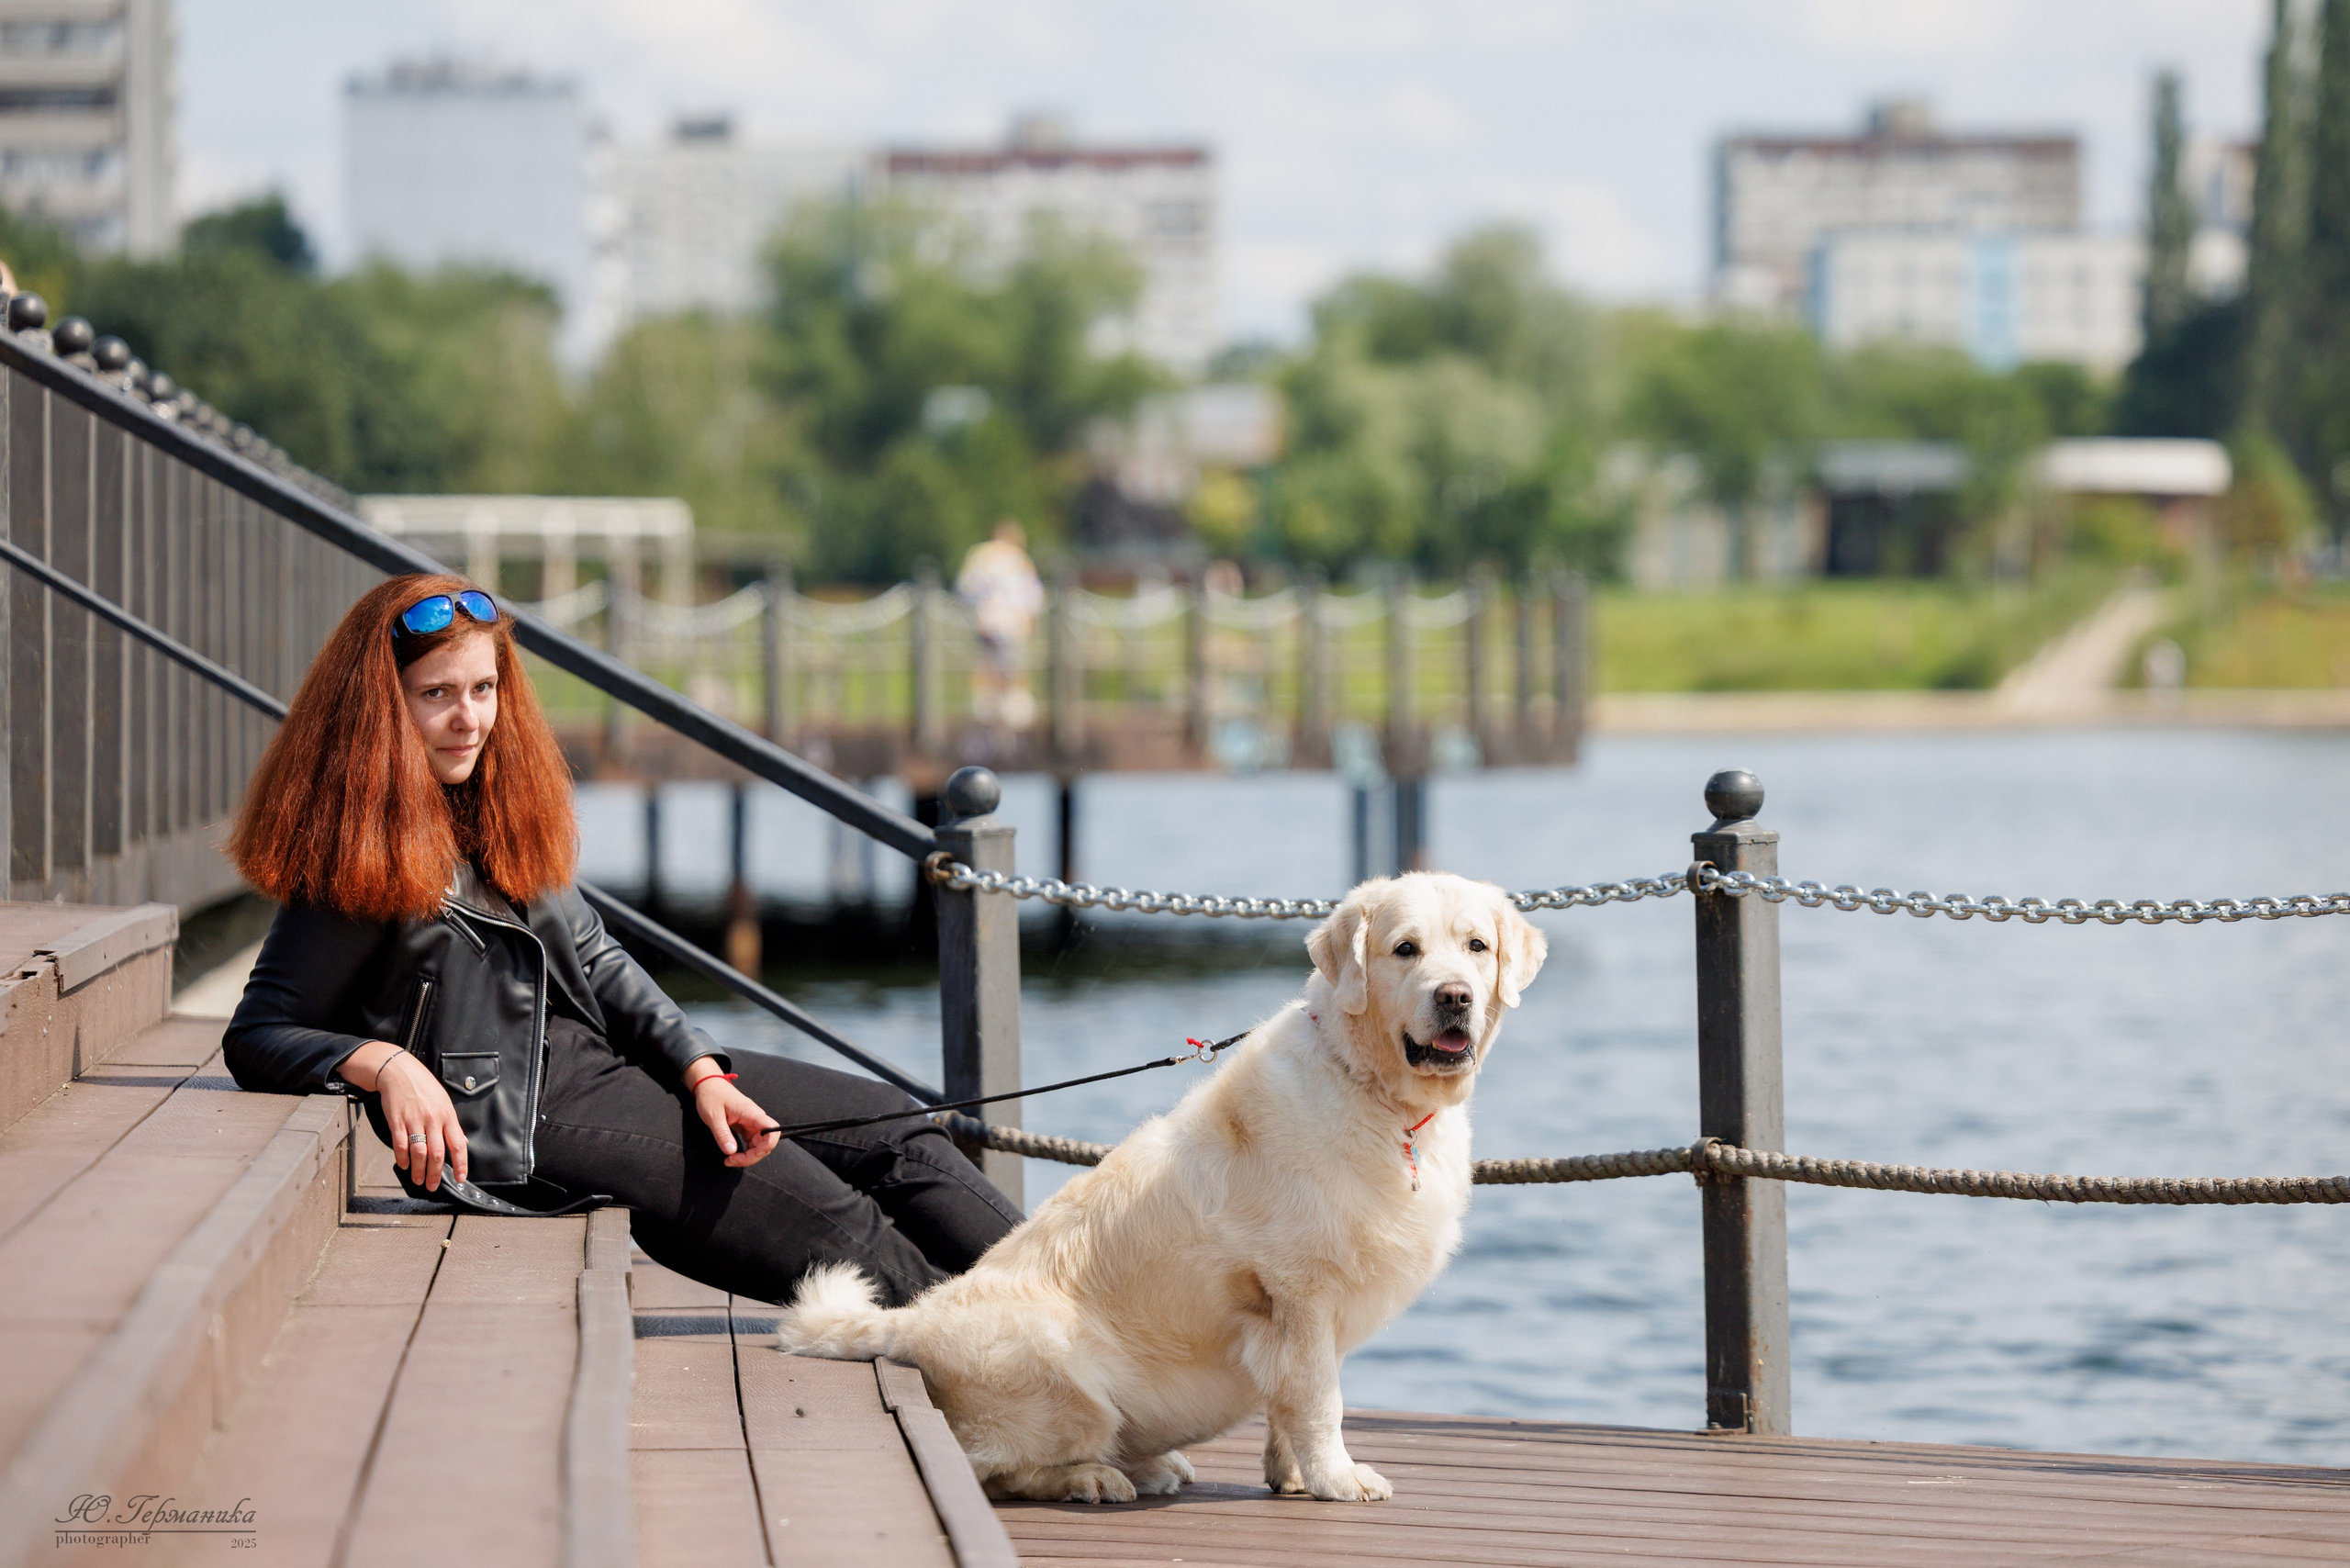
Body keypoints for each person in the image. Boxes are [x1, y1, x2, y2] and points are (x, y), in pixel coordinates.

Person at [221, 573, 1021, 1306]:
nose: (469, 719)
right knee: (843, 1227)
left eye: (484, 688)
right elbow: (258, 1035)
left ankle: (1083, 1315)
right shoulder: (350, 858)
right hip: (520, 1117)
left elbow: (599, 958)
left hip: (604, 1064)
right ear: (382, 706)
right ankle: (1015, 1364)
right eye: (436, 694)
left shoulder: (492, 804)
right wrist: (383, 1062)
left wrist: (699, 1068)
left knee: (894, 1127)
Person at [955, 520, 1045, 730]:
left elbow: (965, 589)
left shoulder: (980, 556)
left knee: (990, 665)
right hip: (1009, 623)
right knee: (1009, 667)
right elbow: (1032, 596)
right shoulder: (1018, 560)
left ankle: (987, 706)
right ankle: (1011, 708)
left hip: (989, 621)